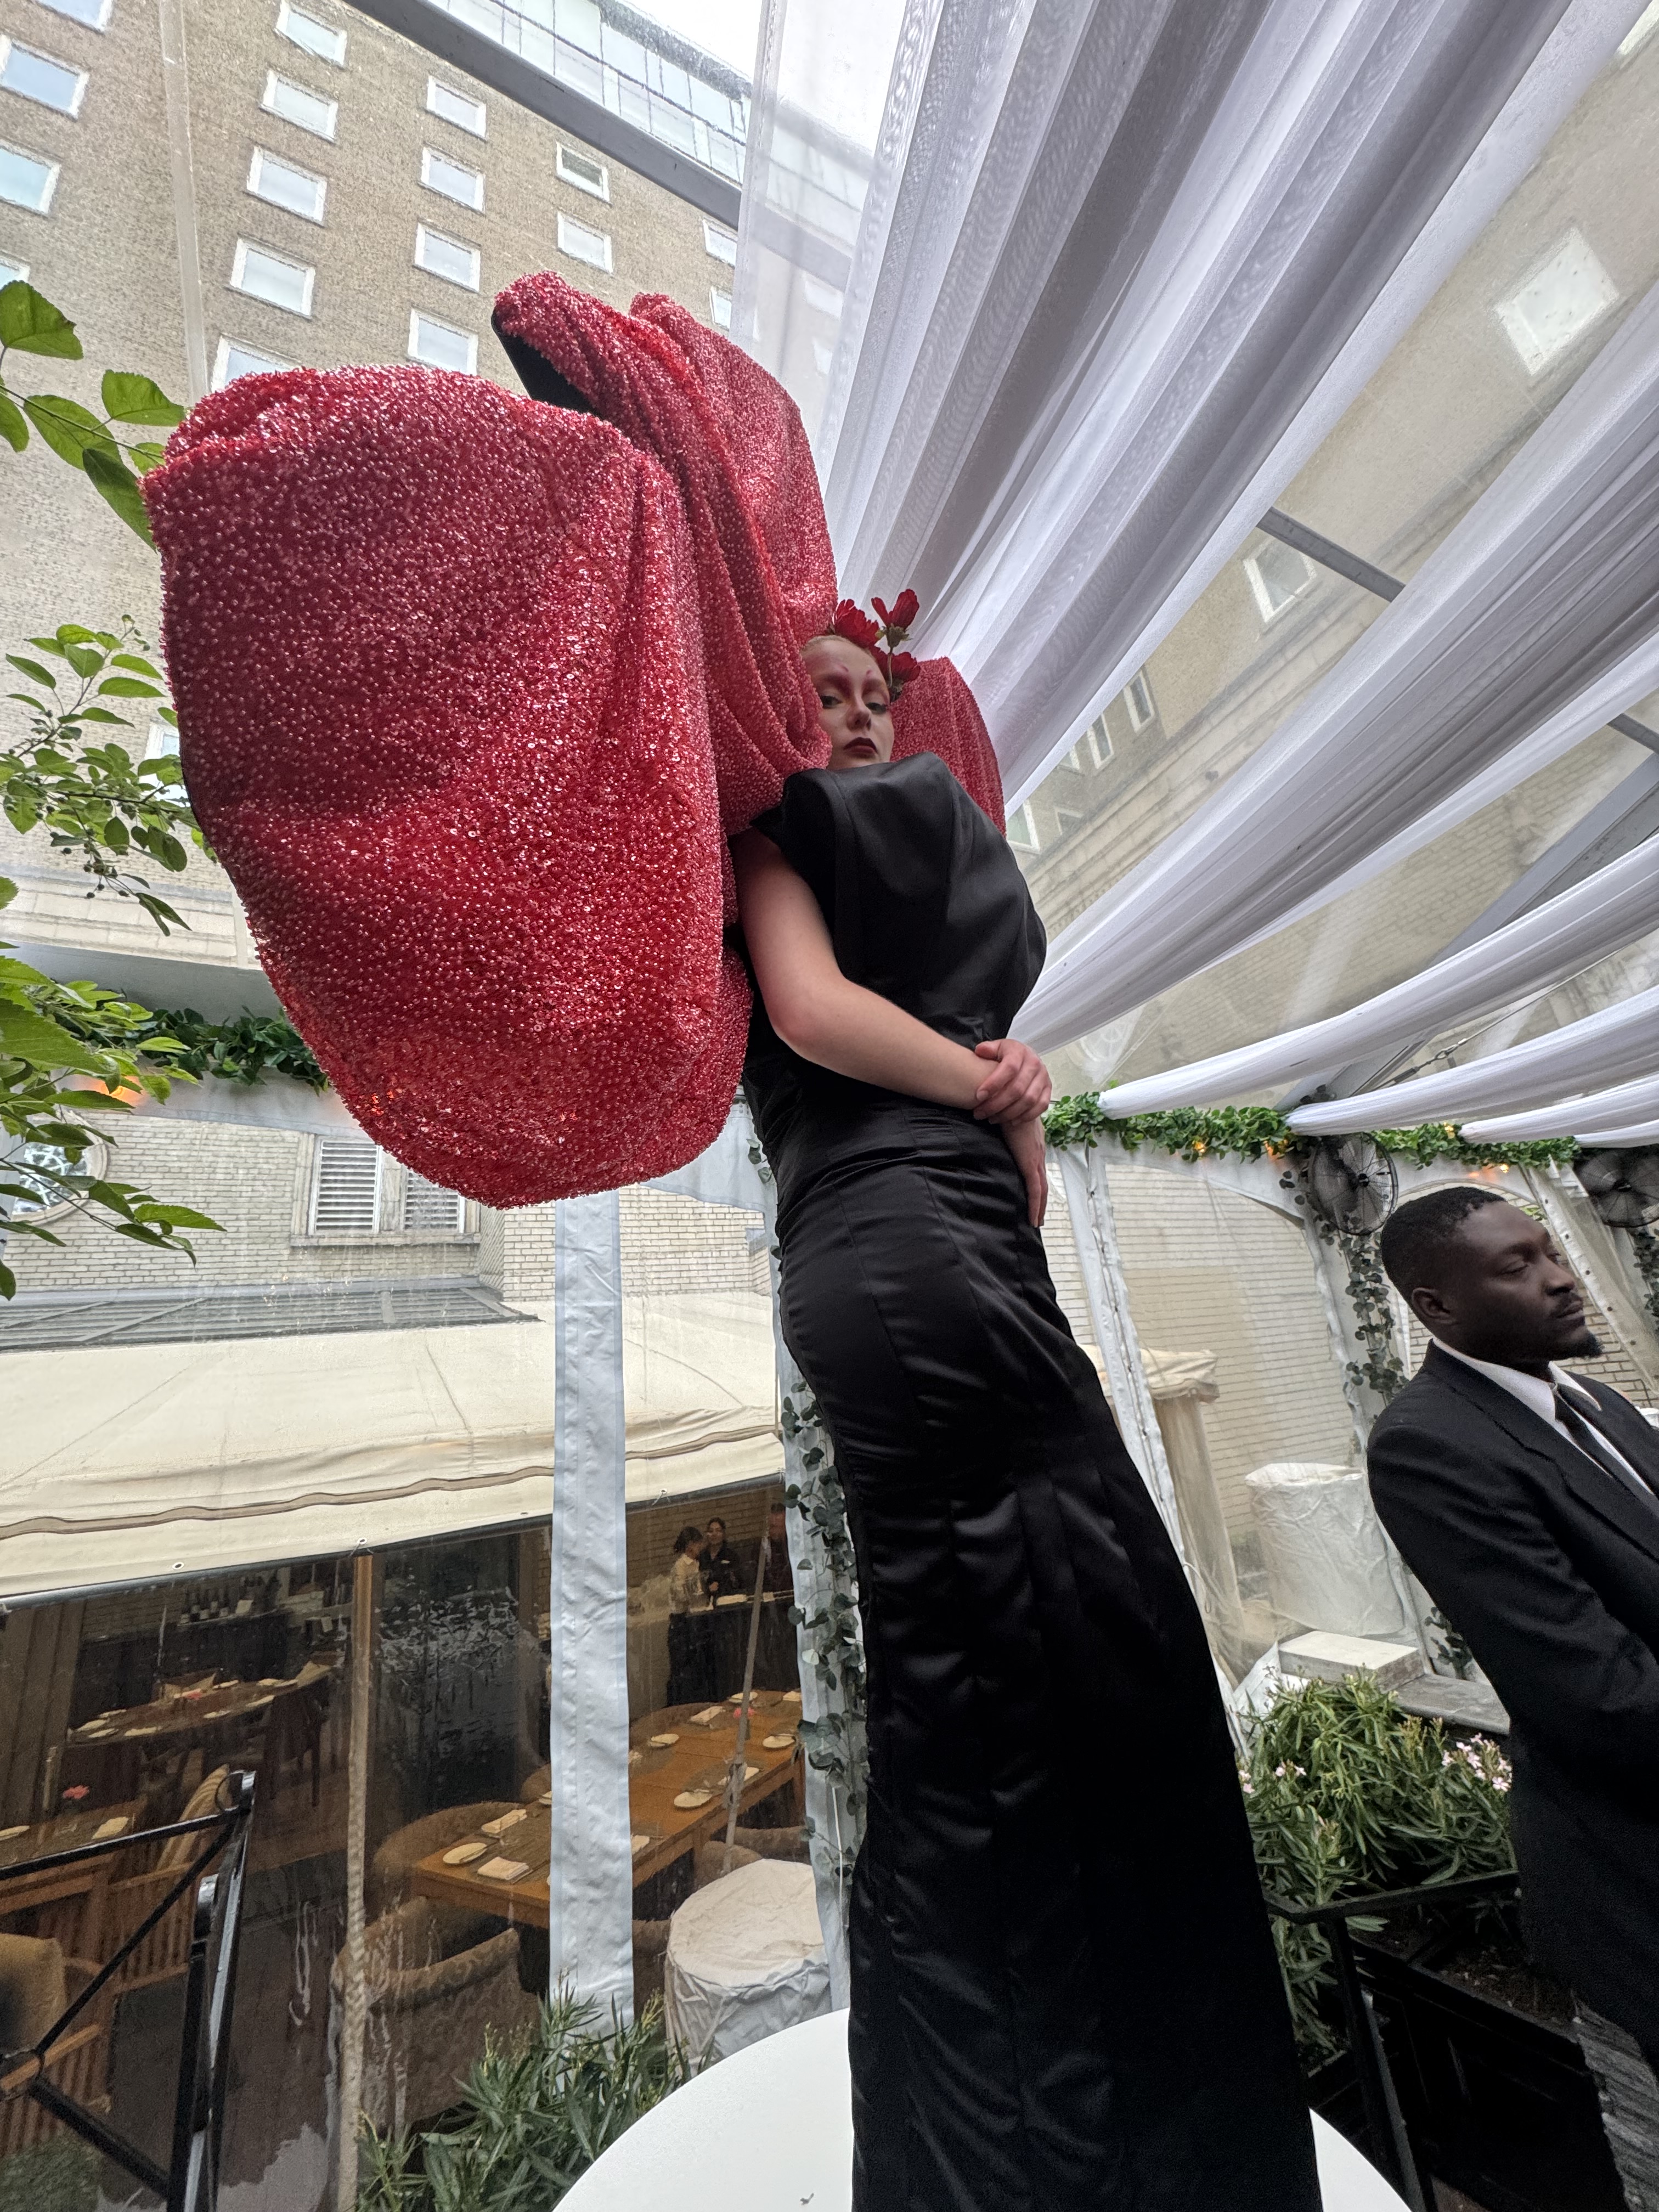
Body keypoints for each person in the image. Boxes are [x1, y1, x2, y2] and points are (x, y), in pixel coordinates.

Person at [733, 620, 1319, 2211]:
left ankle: (1056, 2127)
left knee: (1034, 1659)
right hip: (895, 1240)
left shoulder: (916, 909)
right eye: (826, 697)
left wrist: (1019, 1101)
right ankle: (1065, 2140)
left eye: (875, 699)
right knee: (1044, 1653)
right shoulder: (769, 841)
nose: (860, 720)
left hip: (950, 1238)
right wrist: (986, 1082)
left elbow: (1022, 1186)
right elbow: (808, 1013)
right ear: (774, 709)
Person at [1368, 1187, 1659, 2076]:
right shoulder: (1430, 1446)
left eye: (1550, 1251)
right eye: (1516, 1266)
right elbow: (1596, 1694)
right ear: (1437, 1306)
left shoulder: (1599, 1405)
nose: (1561, 1277)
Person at [665, 1526, 713, 1708]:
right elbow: (680, 1594)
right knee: (682, 1668)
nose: (701, 1547)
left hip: (694, 1618)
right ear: (691, 1545)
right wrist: (696, 1591)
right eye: (698, 1544)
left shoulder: (696, 1563)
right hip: (681, 1621)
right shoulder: (681, 1566)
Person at [701, 1517, 743, 1601]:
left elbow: (737, 1580)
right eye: (711, 1531)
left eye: (718, 1531)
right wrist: (708, 1589)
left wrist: (720, 1585)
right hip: (706, 1599)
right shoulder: (702, 1556)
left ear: (724, 1534)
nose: (714, 1534)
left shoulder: (731, 1555)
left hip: (728, 1598)